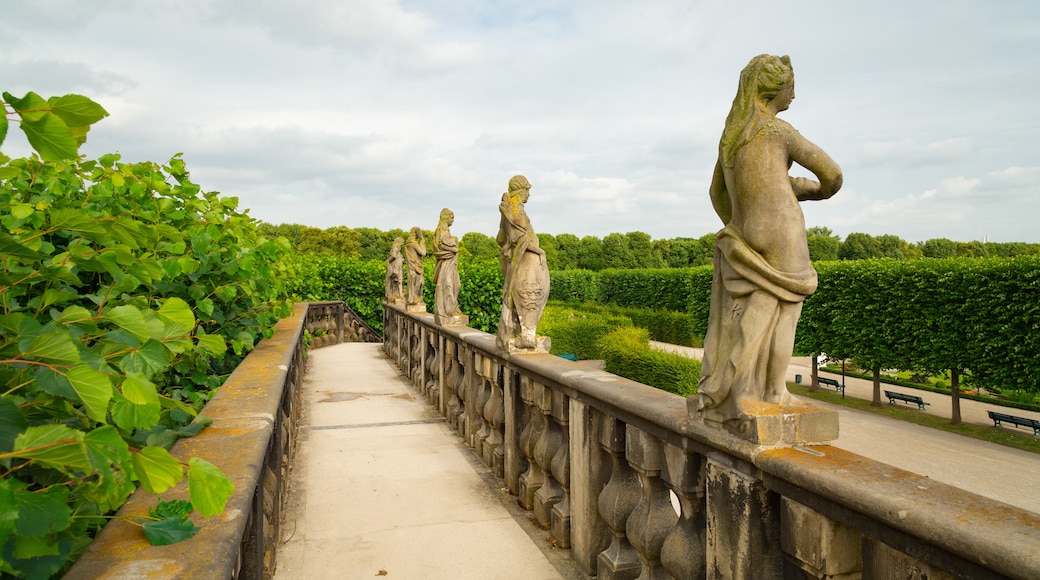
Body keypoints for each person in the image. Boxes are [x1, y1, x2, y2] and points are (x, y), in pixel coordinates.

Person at [697, 54, 842, 426]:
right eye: (791, 88)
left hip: (744, 232)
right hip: (783, 231)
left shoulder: (731, 135)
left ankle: (736, 391)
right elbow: (833, 175)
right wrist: (807, 191)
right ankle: (773, 392)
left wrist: (739, 220)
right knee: (785, 314)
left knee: (755, 313)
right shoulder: (779, 131)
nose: (793, 96)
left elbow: (716, 191)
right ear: (776, 89)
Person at [496, 175, 548, 349]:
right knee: (527, 295)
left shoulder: (508, 209)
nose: (529, 196)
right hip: (524, 262)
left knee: (514, 298)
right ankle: (525, 335)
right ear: (521, 191)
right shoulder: (514, 210)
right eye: (528, 191)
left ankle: (513, 332)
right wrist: (539, 251)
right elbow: (519, 237)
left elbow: (501, 237)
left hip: (517, 261)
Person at [433, 208, 462, 319]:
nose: (453, 220)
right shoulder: (441, 230)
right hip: (447, 265)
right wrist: (453, 249)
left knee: (456, 285)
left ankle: (452, 307)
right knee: (448, 285)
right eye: (452, 217)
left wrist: (453, 248)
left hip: (452, 264)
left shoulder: (446, 231)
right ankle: (448, 310)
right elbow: (439, 246)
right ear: (446, 218)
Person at [405, 227, 426, 308]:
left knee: (413, 282)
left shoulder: (408, 243)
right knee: (420, 281)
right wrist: (422, 240)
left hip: (412, 266)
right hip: (416, 266)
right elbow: (423, 252)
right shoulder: (414, 243)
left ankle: (412, 298)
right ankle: (414, 298)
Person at [385, 237, 404, 303]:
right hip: (399, 266)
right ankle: (400, 295)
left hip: (394, 266)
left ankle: (389, 295)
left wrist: (388, 261)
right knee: (399, 280)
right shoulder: (398, 250)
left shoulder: (394, 247)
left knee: (389, 280)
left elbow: (393, 256)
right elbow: (402, 259)